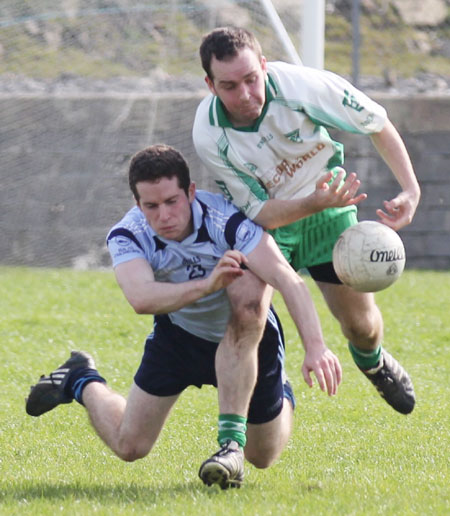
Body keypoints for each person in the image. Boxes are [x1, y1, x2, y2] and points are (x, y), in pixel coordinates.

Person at [26, 144, 341, 489]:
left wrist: (316, 347)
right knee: (129, 446)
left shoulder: (226, 220)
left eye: (172, 201)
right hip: (179, 336)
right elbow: (142, 298)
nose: (163, 215)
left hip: (245, 337)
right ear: (137, 204)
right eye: (151, 206)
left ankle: (244, 430)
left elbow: (287, 279)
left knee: (261, 456)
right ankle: (80, 378)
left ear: (190, 192)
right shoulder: (128, 234)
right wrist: (208, 285)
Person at [193, 26, 420, 415]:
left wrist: (410, 190)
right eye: (230, 86)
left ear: (264, 66)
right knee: (246, 309)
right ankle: (235, 435)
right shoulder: (210, 134)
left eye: (252, 79)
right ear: (210, 85)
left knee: (361, 326)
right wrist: (312, 202)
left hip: (329, 210)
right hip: (269, 223)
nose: (246, 94)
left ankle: (373, 361)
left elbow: (376, 121)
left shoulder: (300, 87)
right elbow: (259, 212)